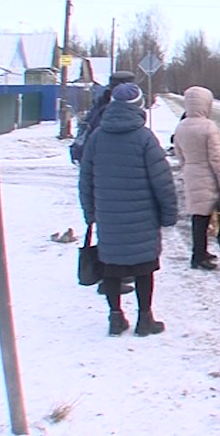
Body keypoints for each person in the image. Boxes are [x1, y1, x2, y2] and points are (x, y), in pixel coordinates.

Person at [79, 83, 178, 337]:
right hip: (142, 218)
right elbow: (162, 180)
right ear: (138, 105)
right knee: (144, 269)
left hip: (108, 219)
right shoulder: (144, 138)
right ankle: (145, 319)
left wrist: (90, 214)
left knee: (111, 268)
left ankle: (115, 318)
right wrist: (168, 214)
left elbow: (86, 179)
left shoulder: (97, 137)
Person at [70, 70, 138, 297]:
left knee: (109, 231)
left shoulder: (101, 105)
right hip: (108, 178)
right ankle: (109, 278)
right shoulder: (111, 111)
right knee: (111, 233)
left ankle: (114, 274)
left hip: (102, 178)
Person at [172, 86, 220, 271]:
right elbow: (216, 157)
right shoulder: (208, 126)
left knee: (199, 217)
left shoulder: (181, 126)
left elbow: (179, 153)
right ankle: (198, 256)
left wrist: (187, 167)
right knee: (203, 218)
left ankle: (200, 252)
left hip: (191, 173)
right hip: (207, 175)